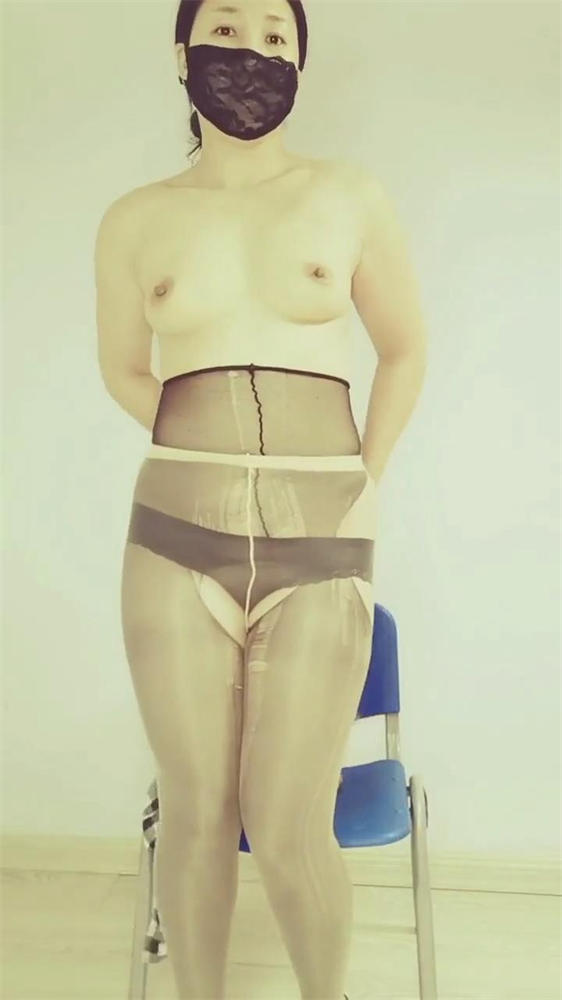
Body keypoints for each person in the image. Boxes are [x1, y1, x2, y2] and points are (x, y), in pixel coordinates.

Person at [94, 1, 428, 997]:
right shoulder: (135, 218)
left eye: (278, 38)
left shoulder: (347, 195)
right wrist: (210, 442)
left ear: (301, 64)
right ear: (184, 54)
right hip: (172, 532)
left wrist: (363, 481)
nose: (255, 53)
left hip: (323, 536)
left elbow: (404, 348)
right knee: (197, 811)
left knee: (287, 822)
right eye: (230, 30)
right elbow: (123, 368)